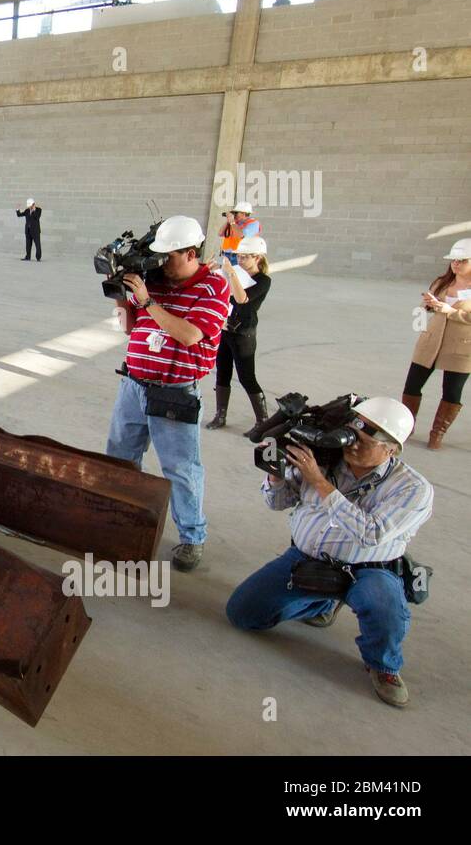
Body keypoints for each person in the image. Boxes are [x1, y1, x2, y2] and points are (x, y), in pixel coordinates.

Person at [226, 397, 432, 708]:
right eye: (355, 428)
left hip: (372, 567)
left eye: (370, 435)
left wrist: (319, 483)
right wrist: (275, 473)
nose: (354, 441)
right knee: (242, 614)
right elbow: (276, 503)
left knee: (383, 605)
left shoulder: (413, 488)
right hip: (307, 558)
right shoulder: (324, 458)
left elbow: (370, 533)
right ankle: (321, 603)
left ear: (391, 449)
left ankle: (383, 666)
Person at [104, 214, 231, 573]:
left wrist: (146, 302)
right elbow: (132, 329)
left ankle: (192, 537)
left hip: (174, 393)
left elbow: (190, 335)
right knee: (120, 458)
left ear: (191, 253)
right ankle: (123, 521)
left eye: (169, 257)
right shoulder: (154, 282)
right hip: (133, 384)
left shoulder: (213, 287)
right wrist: (121, 298)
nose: (162, 264)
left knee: (180, 468)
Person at [403, 237, 471, 449]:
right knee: (412, 385)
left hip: (461, 346)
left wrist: (451, 312)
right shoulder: (441, 281)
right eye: (453, 260)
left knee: (451, 391)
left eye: (462, 260)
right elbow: (427, 310)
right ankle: (407, 427)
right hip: (430, 342)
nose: (456, 264)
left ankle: (437, 434)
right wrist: (429, 305)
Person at [206, 236, 272, 434]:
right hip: (226, 330)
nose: (240, 260)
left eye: (245, 257)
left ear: (258, 258)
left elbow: (242, 299)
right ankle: (220, 415)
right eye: (238, 256)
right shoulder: (236, 273)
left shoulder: (263, 281)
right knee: (222, 373)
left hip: (244, 334)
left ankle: (263, 421)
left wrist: (231, 273)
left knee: (246, 377)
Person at [16, 197, 43, 261]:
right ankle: (28, 257)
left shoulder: (39, 210)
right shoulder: (27, 210)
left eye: (30, 206)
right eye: (29, 206)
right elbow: (19, 215)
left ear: (33, 204)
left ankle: (38, 257)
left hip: (35, 231)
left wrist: (33, 210)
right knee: (28, 245)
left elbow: (37, 217)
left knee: (37, 245)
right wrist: (17, 209)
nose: (29, 207)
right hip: (28, 231)